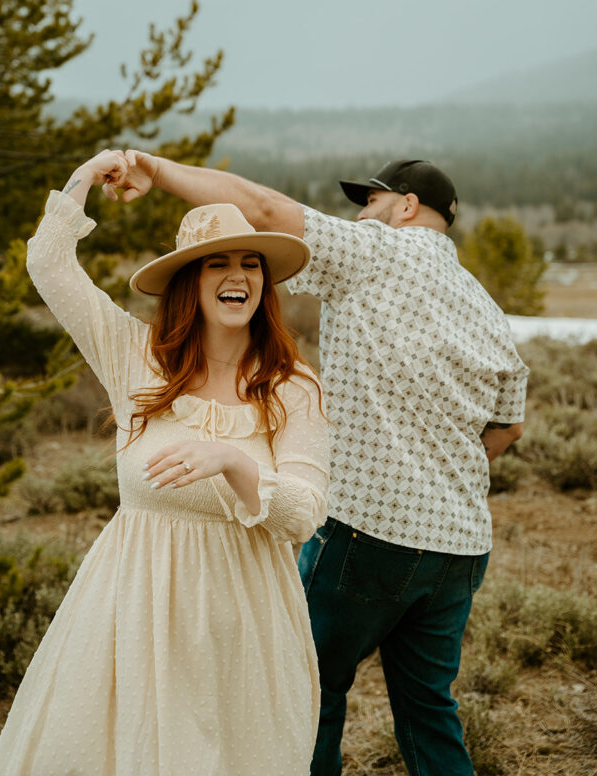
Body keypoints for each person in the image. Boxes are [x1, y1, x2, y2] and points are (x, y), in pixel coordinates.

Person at [108, 151, 529, 776]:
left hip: (368, 536)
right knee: (429, 713)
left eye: (372, 201)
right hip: (461, 545)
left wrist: (156, 169)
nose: (362, 213)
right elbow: (511, 424)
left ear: (406, 207)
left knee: (304, 691)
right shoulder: (484, 306)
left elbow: (263, 211)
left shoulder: (374, 251)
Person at [0, 150, 330, 776]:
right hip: (132, 612)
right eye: (217, 263)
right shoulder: (135, 358)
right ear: (189, 283)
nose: (239, 275)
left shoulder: (292, 386)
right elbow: (48, 264)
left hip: (244, 622)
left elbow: (304, 515)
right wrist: (85, 176)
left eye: (251, 262)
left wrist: (233, 460)